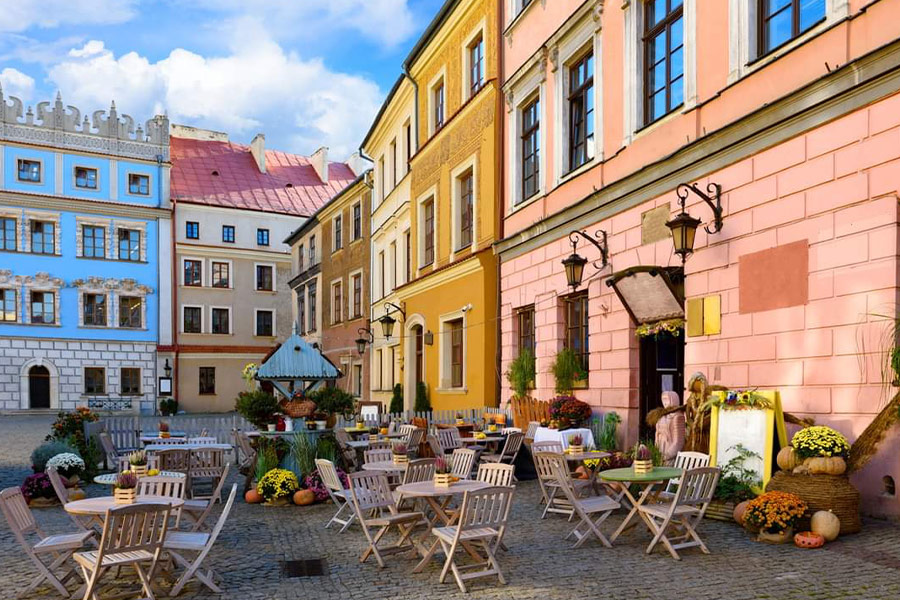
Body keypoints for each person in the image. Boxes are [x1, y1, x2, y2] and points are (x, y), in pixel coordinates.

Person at [655, 391, 685, 465]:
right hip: (660, 451)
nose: (665, 403)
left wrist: (667, 455)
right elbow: (657, 434)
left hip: (670, 456)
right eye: (663, 400)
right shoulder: (662, 416)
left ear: (673, 400)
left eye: (667, 400)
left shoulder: (677, 417)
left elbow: (678, 442)